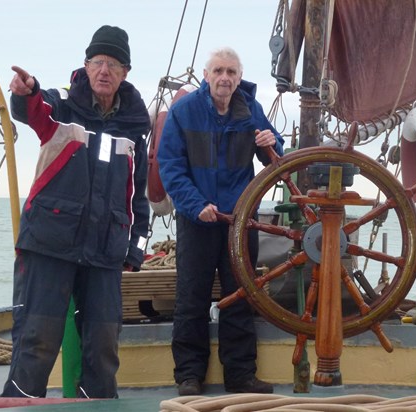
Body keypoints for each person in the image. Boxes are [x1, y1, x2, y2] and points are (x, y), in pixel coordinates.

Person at [0, 25, 150, 399]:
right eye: (98, 61)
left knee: (102, 349)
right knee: (37, 343)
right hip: (49, 245)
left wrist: (136, 249)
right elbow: (35, 109)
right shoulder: (62, 107)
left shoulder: (134, 130)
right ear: (85, 66)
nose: (105, 70)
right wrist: (27, 92)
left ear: (125, 73)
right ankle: (17, 407)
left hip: (105, 253)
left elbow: (138, 201)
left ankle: (96, 406)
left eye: (114, 64)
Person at [157, 46, 284, 396]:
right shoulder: (184, 112)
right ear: (206, 76)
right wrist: (195, 204)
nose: (225, 78)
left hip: (240, 223)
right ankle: (188, 376)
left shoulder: (250, 110)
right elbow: (170, 166)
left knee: (242, 296)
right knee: (191, 299)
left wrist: (270, 141)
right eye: (218, 71)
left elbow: (278, 157)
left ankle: (240, 376)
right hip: (197, 220)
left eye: (231, 72)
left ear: (239, 78)